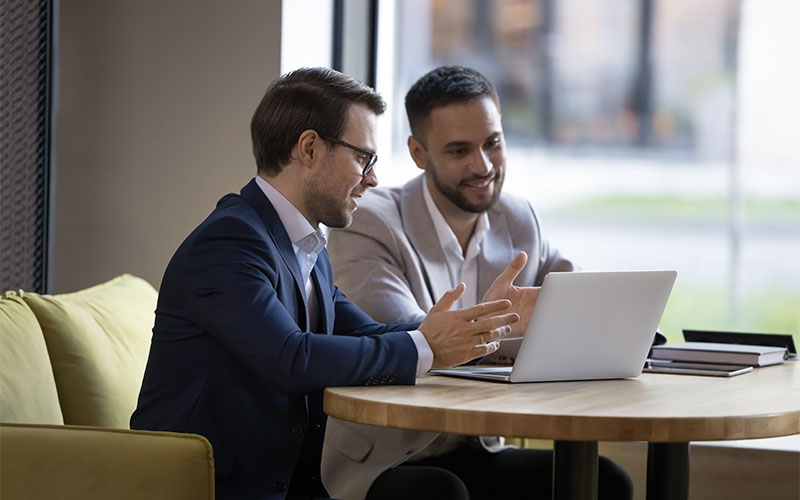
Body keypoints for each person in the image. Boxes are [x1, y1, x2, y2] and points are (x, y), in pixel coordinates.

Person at [130, 67, 524, 500]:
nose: (372, 180)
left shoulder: (304, 246)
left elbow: (369, 333)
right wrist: (427, 346)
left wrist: (470, 328)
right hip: (215, 489)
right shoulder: (229, 242)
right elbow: (291, 358)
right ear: (310, 148)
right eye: (364, 159)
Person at [321, 66, 633, 500]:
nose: (482, 165)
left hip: (474, 444)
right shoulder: (370, 221)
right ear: (418, 153)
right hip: (391, 452)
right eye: (459, 150)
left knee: (605, 482)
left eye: (493, 143)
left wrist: (628, 330)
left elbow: (578, 310)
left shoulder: (518, 217)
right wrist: (514, 329)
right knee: (442, 493)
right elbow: (416, 341)